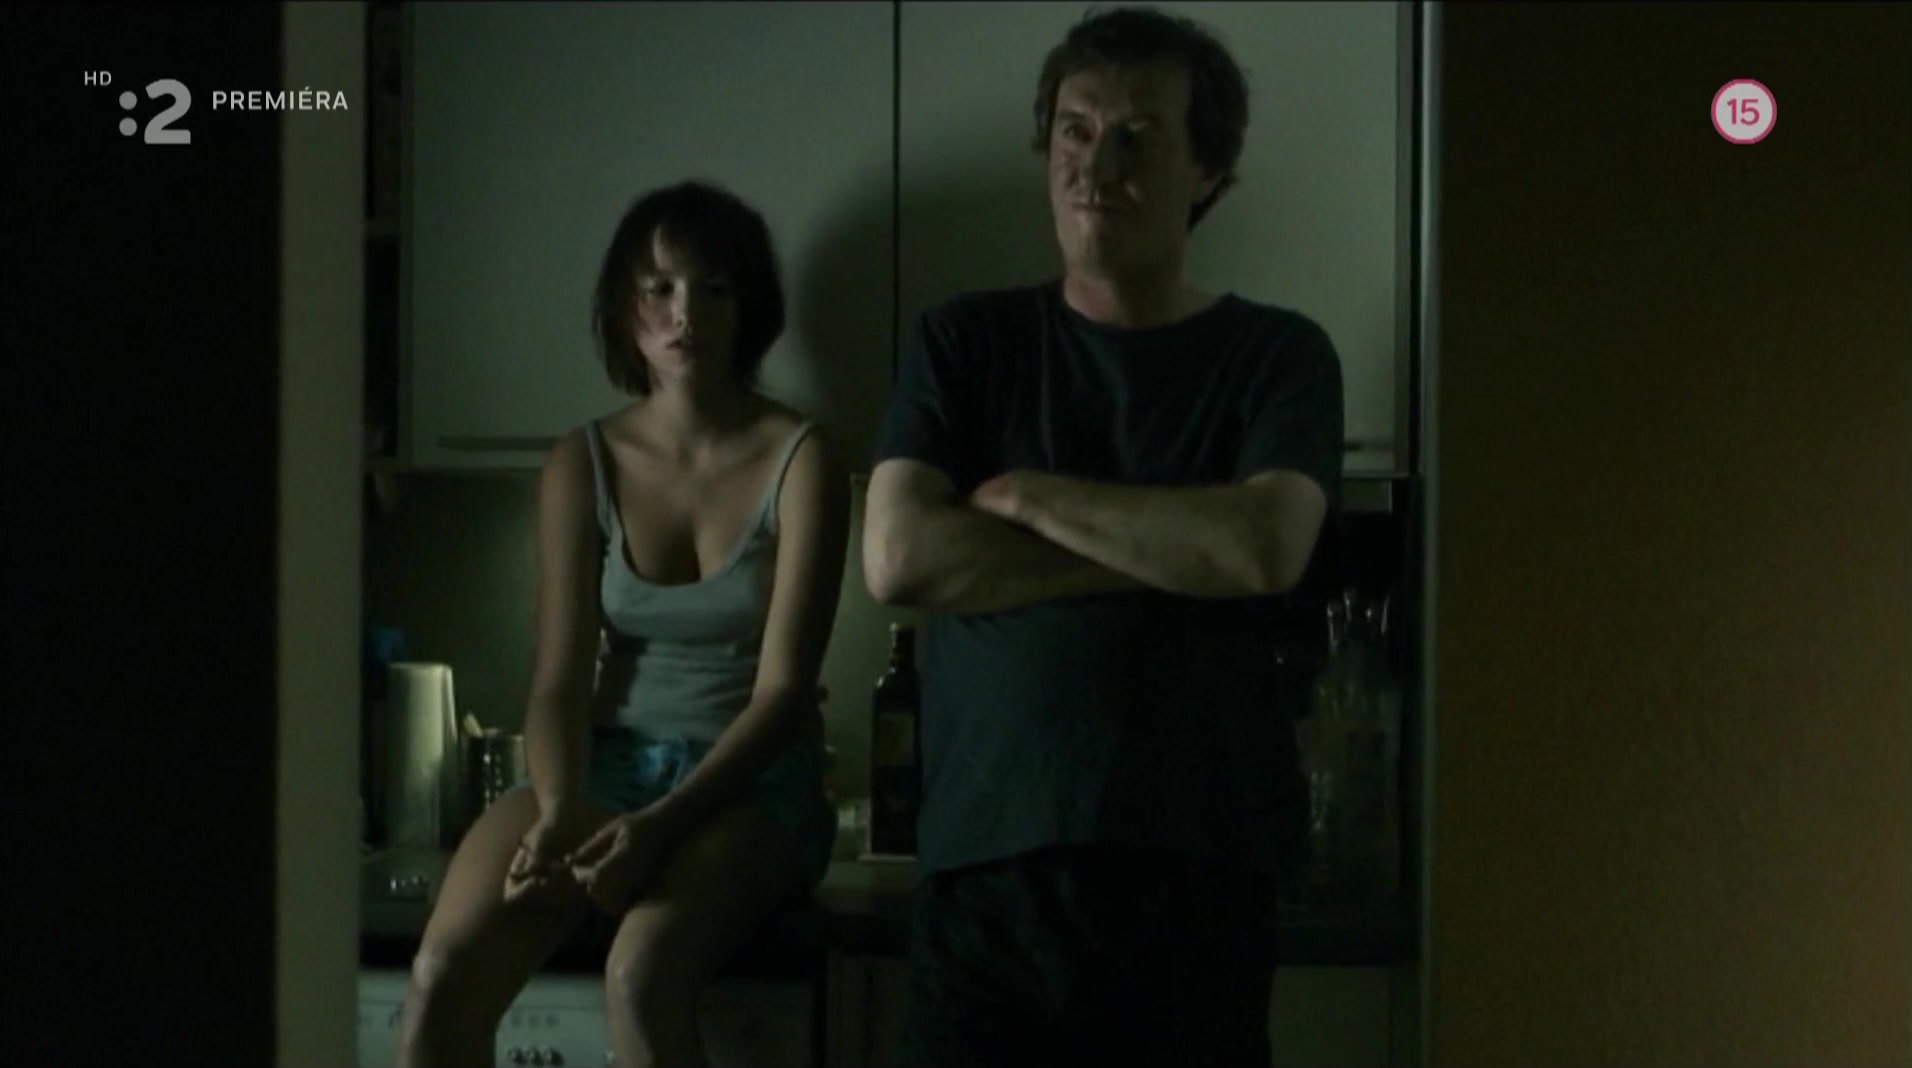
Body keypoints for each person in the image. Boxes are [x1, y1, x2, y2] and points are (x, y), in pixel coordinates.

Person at [863, 6, 1344, 1065]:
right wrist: (1171, 553)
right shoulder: (965, 342)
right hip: (988, 881)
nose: (1096, 166)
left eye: (1138, 137)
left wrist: (1031, 495)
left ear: (1207, 172)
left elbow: (1261, 549)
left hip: (1198, 876)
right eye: (1076, 131)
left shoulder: (1277, 356)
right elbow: (900, 557)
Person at [395, 180, 849, 1068]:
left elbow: (785, 693)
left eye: (714, 289)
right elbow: (558, 678)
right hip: (603, 765)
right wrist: (561, 809)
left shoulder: (802, 458)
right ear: (624, 306)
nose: (686, 314)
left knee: (640, 977)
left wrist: (663, 825)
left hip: (747, 789)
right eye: (660, 288)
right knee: (440, 976)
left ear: (748, 307)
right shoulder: (584, 460)